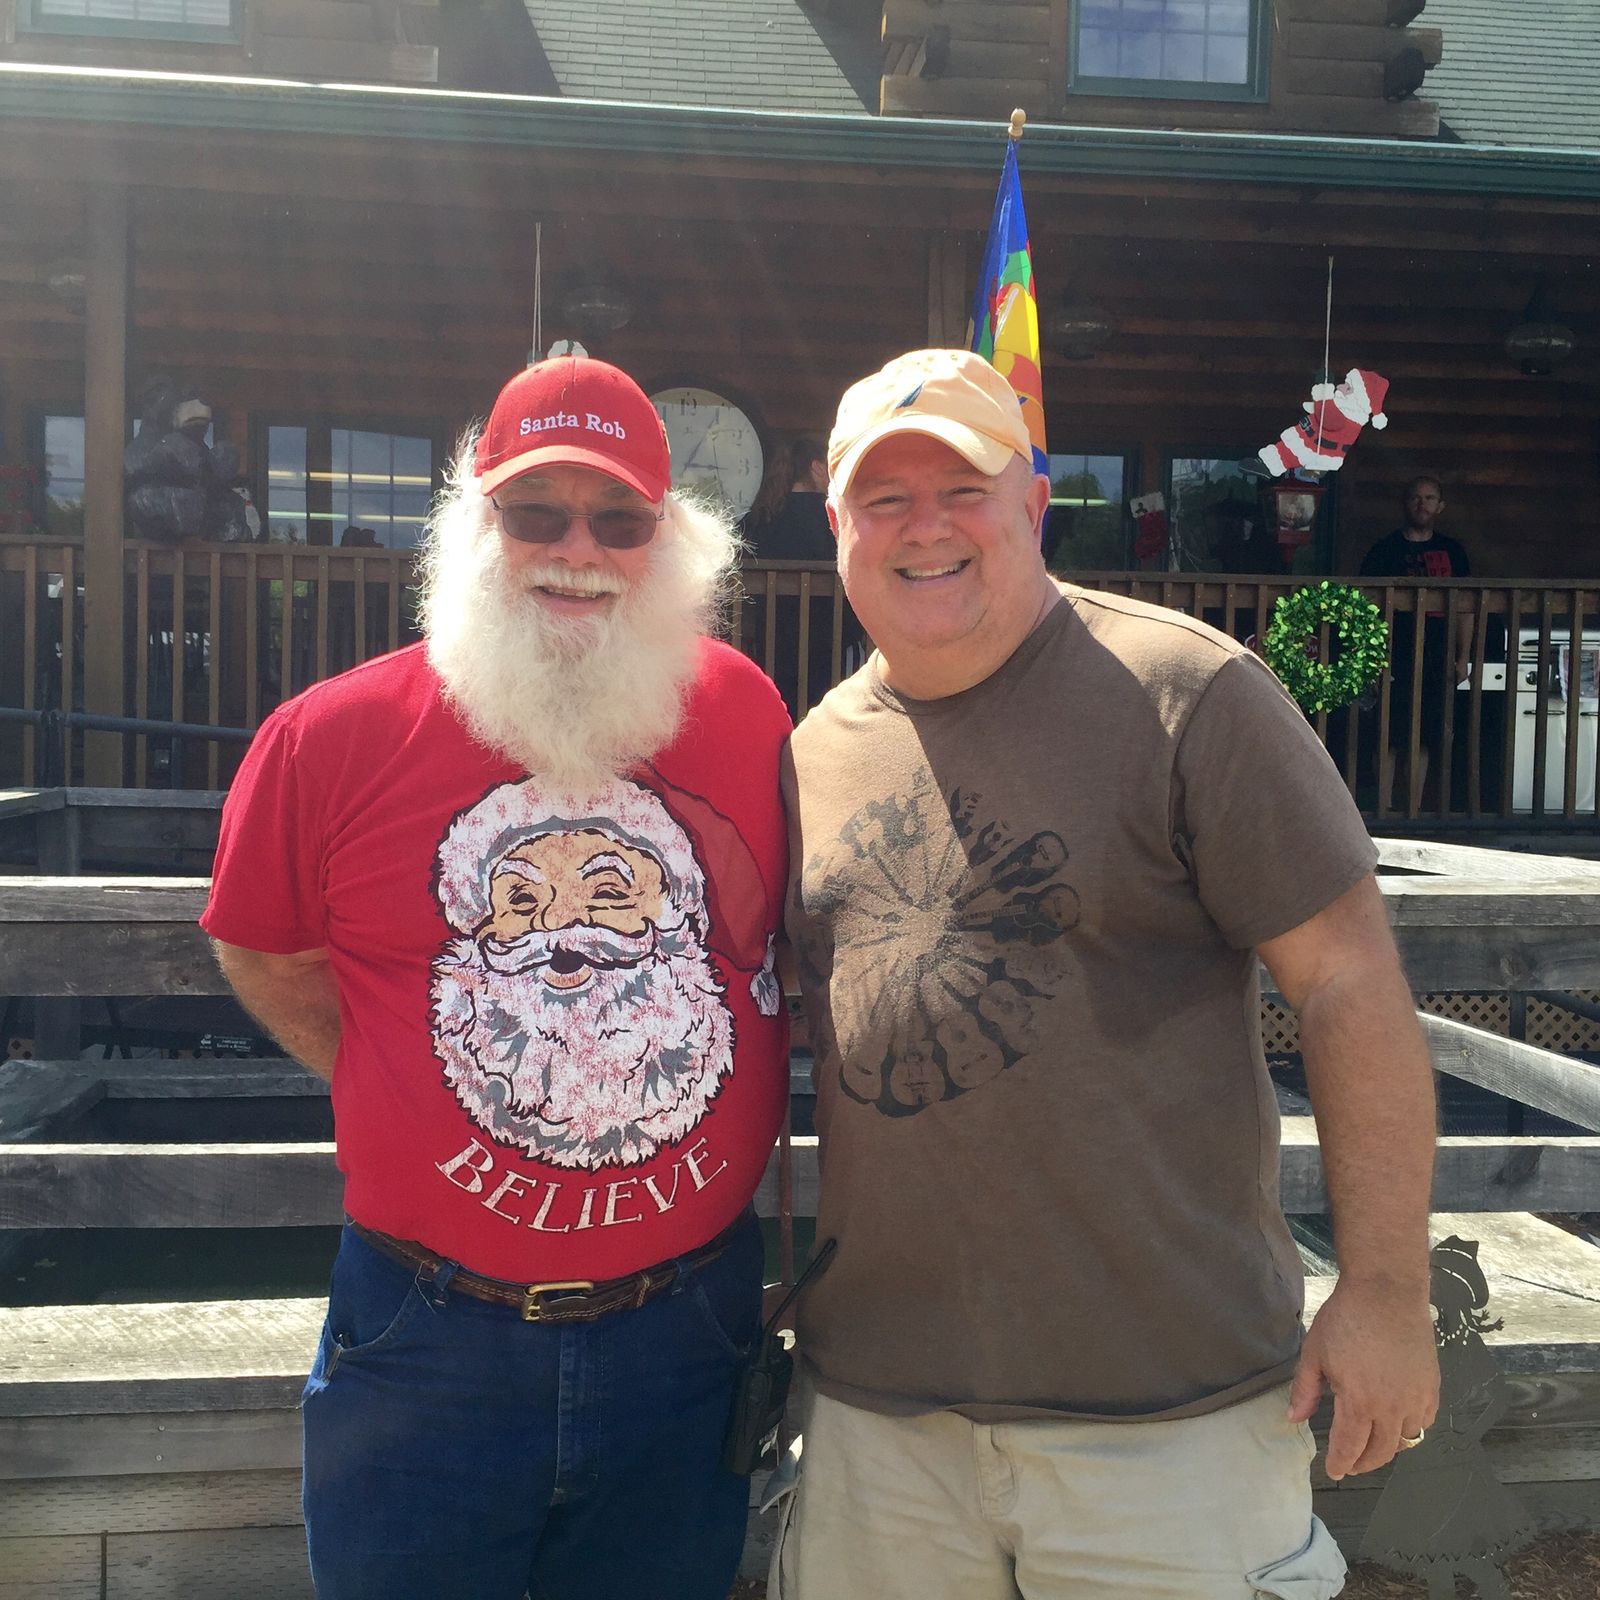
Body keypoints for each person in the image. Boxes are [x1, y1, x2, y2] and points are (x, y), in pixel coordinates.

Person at [774, 348, 1441, 1600]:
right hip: (878, 1424)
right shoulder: (810, 752)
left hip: (1173, 1423)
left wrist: (1387, 1289)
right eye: (883, 498)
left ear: (1033, 503)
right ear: (837, 527)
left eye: (962, 490)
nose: (924, 527)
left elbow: (1348, 980)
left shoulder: (1190, 691)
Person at [202, 355, 792, 1600]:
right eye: (536, 512)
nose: (576, 550)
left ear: (669, 543)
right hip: (428, 1339)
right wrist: (397, 1069)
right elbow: (262, 947)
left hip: (687, 1336)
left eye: (619, 520)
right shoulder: (326, 737)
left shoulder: (749, 717)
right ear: (477, 524)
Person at [1359, 476, 1473, 810]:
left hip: (1437, 655)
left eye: (1429, 498)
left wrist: (1463, 656)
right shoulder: (1383, 550)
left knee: (1423, 736)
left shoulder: (1453, 552)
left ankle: (1412, 812)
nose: (1422, 504)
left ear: (1440, 506)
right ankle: (1383, 812)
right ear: (1405, 504)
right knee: (1387, 735)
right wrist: (1369, 656)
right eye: (1415, 498)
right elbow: (1364, 608)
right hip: (1391, 654)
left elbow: (1466, 607)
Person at [746, 435, 865, 717]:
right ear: (816, 468)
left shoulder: (761, 518)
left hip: (773, 648)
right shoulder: (835, 521)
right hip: (833, 648)